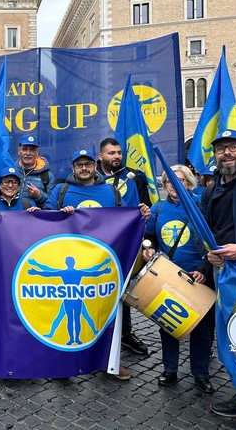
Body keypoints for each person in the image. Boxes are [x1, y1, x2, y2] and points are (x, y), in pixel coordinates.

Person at [45, 149, 150, 381]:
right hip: (69, 263)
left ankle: (109, 363)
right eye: (79, 164)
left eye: (88, 164)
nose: (84, 168)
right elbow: (44, 220)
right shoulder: (61, 191)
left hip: (103, 262)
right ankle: (65, 365)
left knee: (107, 314)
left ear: (95, 165)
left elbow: (123, 219)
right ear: (73, 168)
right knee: (66, 313)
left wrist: (140, 214)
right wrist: (60, 214)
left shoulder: (109, 191)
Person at [143, 165, 214, 394]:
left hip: (198, 276)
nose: (175, 185)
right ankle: (170, 370)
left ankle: (201, 373)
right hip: (169, 275)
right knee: (168, 325)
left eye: (181, 180)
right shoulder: (159, 207)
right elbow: (150, 236)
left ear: (190, 183)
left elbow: (212, 241)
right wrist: (149, 248)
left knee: (202, 330)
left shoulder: (201, 205)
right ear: (165, 185)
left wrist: (204, 268)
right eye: (170, 181)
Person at [200, 130, 236, 420]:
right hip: (224, 276)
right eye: (221, 149)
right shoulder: (211, 190)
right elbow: (203, 232)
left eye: (234, 147)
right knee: (231, 340)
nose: (227, 153)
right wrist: (208, 255)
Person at [97, 137, 152, 357]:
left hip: (126, 243)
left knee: (124, 288)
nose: (117, 156)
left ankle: (126, 334)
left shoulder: (134, 177)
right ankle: (99, 335)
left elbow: (145, 205)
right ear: (100, 156)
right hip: (99, 244)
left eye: (119, 152)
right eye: (111, 153)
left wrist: (145, 213)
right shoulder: (93, 178)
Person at [16, 134, 56, 207]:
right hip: (11, 217)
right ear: (19, 151)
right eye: (24, 149)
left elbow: (52, 206)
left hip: (34, 218)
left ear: (37, 152)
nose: (28, 153)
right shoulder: (11, 172)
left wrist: (39, 196)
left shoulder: (47, 176)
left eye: (32, 150)